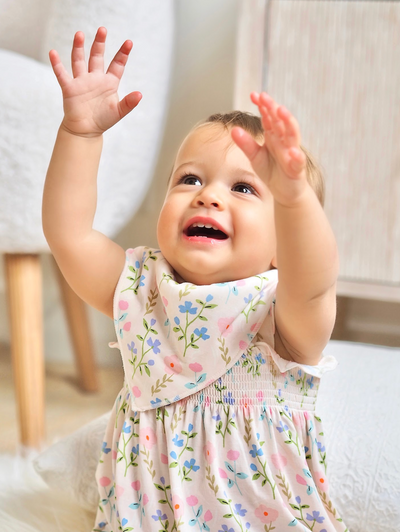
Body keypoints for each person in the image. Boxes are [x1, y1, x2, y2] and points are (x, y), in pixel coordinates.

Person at [43, 27, 348, 532]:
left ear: (281, 246)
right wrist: (80, 135)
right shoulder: (141, 289)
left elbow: (316, 279)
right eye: (189, 178)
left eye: (245, 188)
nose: (207, 196)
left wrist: (294, 198)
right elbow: (68, 235)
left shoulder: (281, 313)